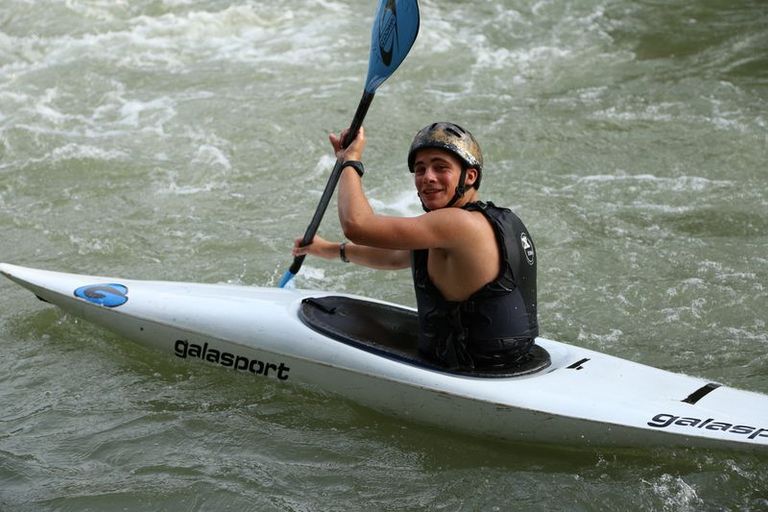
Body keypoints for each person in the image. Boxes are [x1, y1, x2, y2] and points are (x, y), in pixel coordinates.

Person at [292, 122, 538, 370]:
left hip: (474, 368)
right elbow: (396, 257)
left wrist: (350, 161)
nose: (428, 177)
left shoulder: (458, 223)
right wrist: (330, 250)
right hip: (510, 358)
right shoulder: (494, 220)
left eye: (441, 167)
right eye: (420, 169)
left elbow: (357, 225)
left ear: (470, 176)